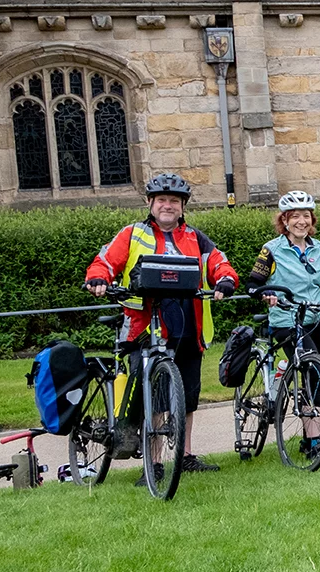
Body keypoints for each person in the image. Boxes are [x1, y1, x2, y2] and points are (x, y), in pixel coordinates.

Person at [85, 172, 238, 476]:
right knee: (154, 397)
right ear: (150, 203)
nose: (168, 206)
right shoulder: (132, 234)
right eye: (162, 200)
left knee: (188, 397)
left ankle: (185, 455)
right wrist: (99, 278)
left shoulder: (195, 237)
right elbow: (104, 261)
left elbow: (218, 262)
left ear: (182, 207)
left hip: (188, 327)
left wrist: (225, 279)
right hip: (144, 327)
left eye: (174, 201)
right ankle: (153, 463)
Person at [246, 190, 320, 460]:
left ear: (312, 220)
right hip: (287, 320)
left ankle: (309, 437)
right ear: (284, 220)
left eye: (306, 216)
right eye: (295, 216)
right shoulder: (272, 249)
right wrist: (267, 294)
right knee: (315, 371)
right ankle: (315, 442)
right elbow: (253, 283)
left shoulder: (317, 246)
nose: (301, 221)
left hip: (316, 317)